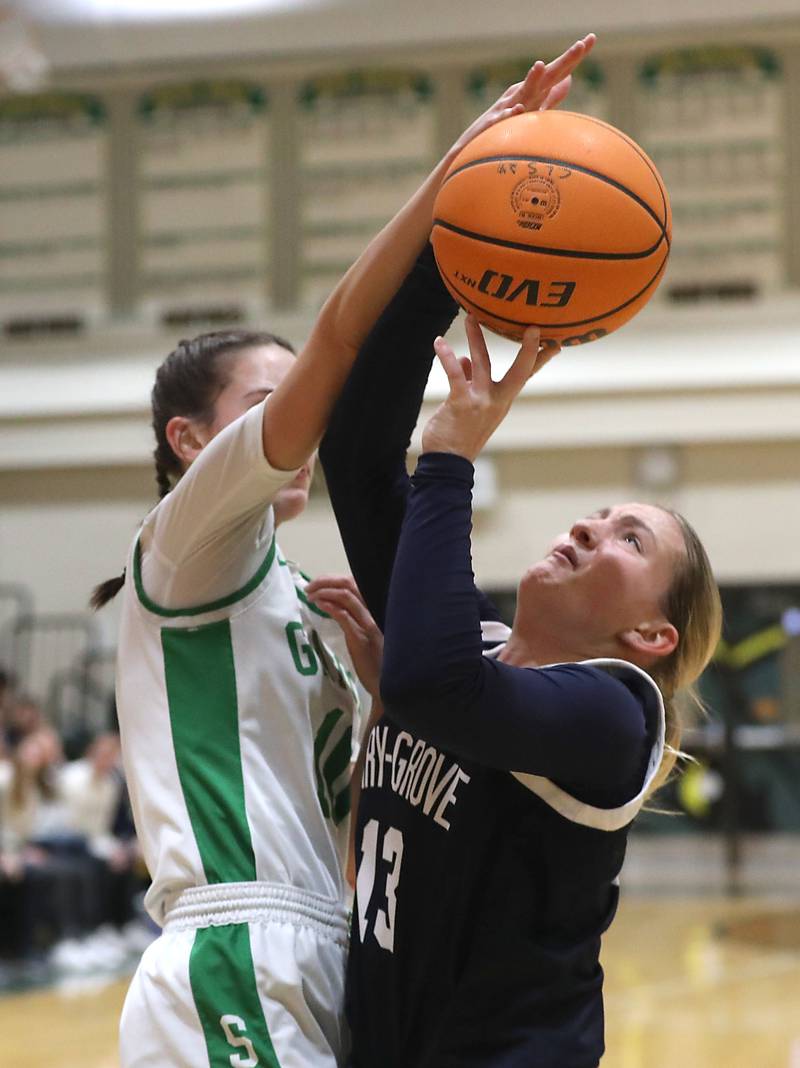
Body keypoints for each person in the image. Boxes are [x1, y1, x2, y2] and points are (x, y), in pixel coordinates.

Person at [90, 35, 596, 1068]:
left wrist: (381, 697)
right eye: (269, 402)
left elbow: (349, 812)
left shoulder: (301, 599)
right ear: (193, 442)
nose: (304, 421)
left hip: (333, 951)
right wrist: (462, 174)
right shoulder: (186, 547)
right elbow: (339, 342)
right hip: (238, 950)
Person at [315, 194, 722, 1068]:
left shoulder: (617, 715)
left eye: (629, 539)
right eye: (599, 514)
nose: (587, 528)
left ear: (653, 633)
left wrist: (456, 456)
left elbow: (438, 686)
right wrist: (446, 255)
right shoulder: (470, 653)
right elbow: (355, 457)